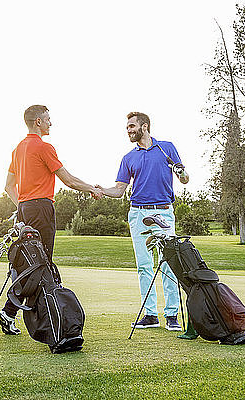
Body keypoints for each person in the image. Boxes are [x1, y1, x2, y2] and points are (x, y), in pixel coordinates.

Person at [0, 104, 103, 335]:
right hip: (42, 208)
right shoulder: (44, 147)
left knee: (29, 263)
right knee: (41, 264)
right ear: (38, 122)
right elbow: (69, 180)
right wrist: (92, 189)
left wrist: (23, 205)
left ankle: (10, 312)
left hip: (25, 210)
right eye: (47, 119)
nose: (50, 123)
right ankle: (44, 318)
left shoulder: (18, 149)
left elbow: (8, 186)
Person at [97, 111, 189, 331]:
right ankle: (150, 314)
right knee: (144, 266)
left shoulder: (166, 148)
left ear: (144, 126)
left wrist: (181, 172)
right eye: (127, 127)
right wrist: (100, 190)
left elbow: (185, 179)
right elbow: (120, 190)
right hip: (138, 214)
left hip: (164, 212)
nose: (128, 130)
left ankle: (171, 315)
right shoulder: (128, 158)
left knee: (167, 262)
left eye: (131, 126)